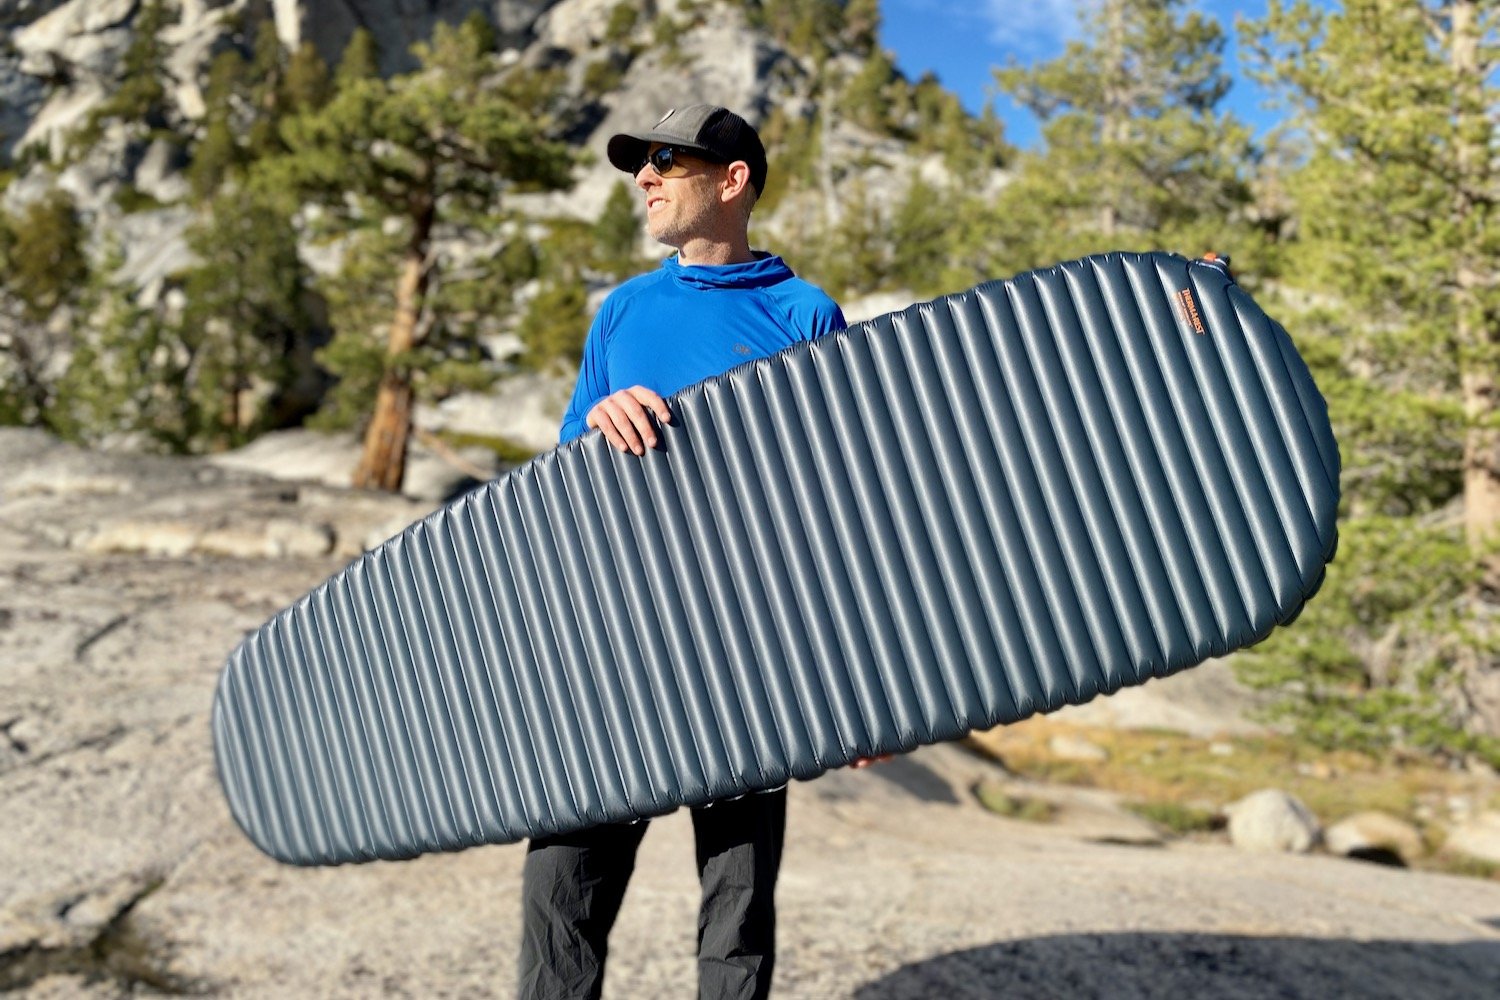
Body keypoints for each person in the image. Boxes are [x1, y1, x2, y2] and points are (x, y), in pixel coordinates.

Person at [517, 105, 846, 1000]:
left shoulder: (804, 313)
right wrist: (597, 419)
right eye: (641, 163)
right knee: (561, 895)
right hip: (616, 637)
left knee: (737, 911)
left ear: (733, 181)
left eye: (668, 159)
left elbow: (835, 507)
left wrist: (854, 682)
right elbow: (566, 465)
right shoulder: (624, 308)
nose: (645, 177)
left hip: (750, 653)